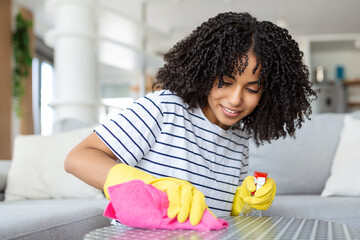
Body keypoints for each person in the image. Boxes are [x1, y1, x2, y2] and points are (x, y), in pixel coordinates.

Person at [65, 12, 318, 226]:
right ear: (206, 72)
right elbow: (78, 158)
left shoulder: (239, 138)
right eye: (225, 82)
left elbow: (219, 211)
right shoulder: (165, 108)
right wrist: (149, 185)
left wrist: (243, 200)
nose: (235, 99)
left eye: (252, 88)